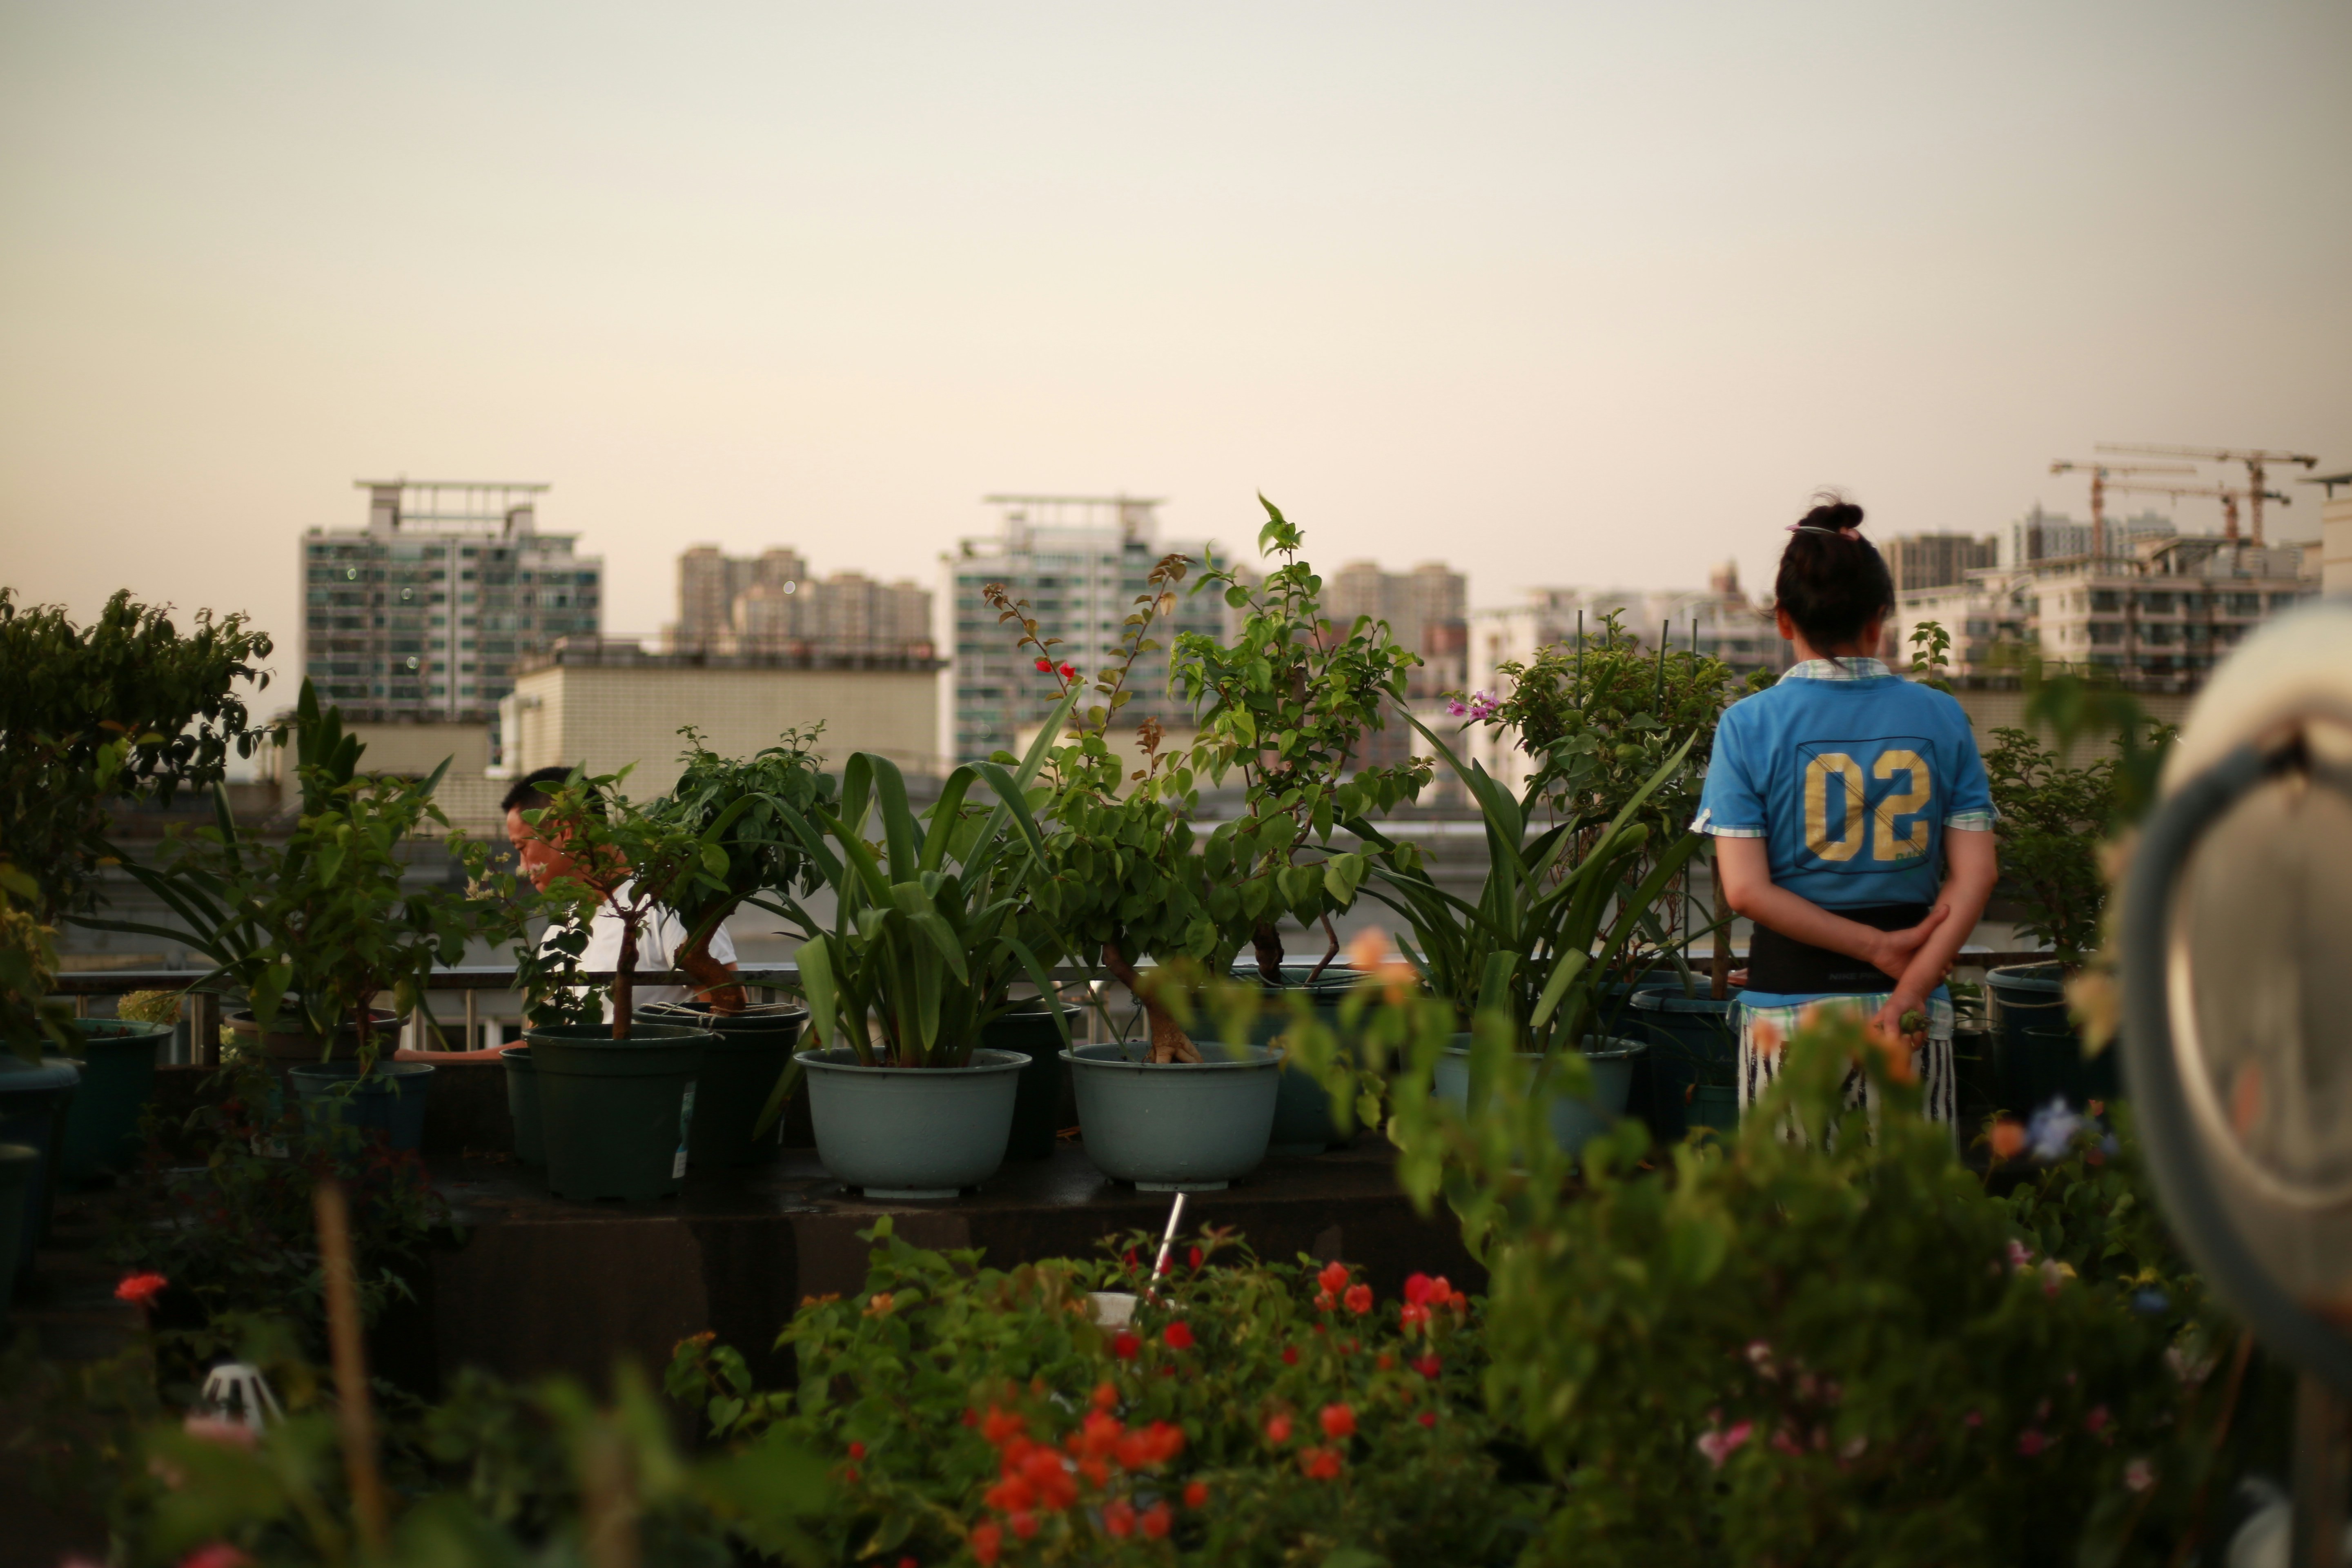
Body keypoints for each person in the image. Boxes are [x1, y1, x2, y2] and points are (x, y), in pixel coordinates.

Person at [1695, 496, 1998, 1125]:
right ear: (1879, 618)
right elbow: (1978, 875)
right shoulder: (1941, 715)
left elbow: (1746, 890)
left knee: (1798, 1215)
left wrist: (1875, 946)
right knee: (1914, 1214)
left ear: (1783, 619)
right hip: (1909, 1011)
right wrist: (1908, 983)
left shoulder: (1747, 726)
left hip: (1789, 1013)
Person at [392, 766, 742, 1061]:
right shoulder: (563, 932)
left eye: (522, 847)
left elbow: (728, 1016)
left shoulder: (662, 905)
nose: (523, 865)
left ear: (566, 830)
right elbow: (539, 1047)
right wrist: (415, 1059)